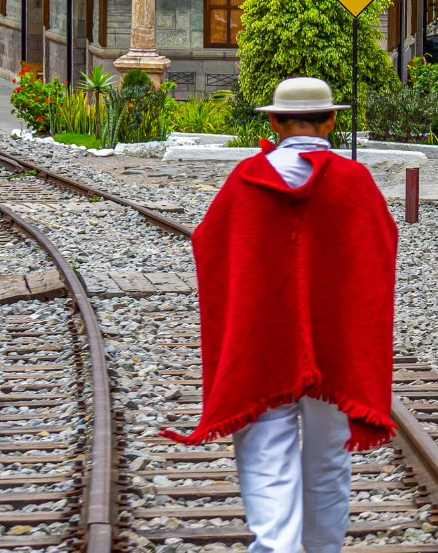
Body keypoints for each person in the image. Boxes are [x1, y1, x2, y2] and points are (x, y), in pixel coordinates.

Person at [166, 77, 399, 553]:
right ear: (332, 120)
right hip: (335, 349)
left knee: (266, 456)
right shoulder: (356, 184)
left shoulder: (244, 183)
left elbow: (209, 246)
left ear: (272, 122)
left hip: (262, 341)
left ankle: (276, 548)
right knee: (329, 461)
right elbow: (380, 252)